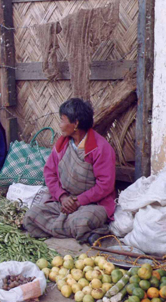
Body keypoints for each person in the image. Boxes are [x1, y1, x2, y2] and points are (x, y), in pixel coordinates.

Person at [23, 98, 117, 245]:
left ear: (76, 123)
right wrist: (62, 197)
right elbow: (49, 173)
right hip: (64, 201)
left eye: (62, 120)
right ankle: (87, 234)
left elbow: (105, 186)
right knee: (31, 216)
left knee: (83, 221)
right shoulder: (62, 144)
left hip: (92, 204)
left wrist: (78, 201)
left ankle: (71, 228)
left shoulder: (100, 148)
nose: (60, 126)